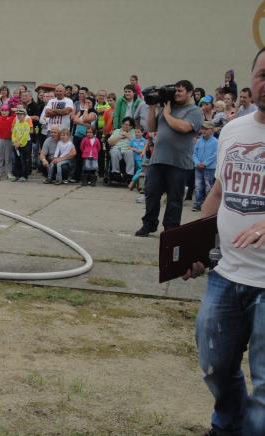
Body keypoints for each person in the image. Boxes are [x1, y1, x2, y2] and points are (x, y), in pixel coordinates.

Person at [183, 47, 265, 436]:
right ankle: (229, 424)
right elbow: (218, 192)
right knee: (214, 367)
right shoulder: (233, 130)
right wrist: (199, 244)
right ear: (251, 79)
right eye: (263, 74)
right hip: (227, 274)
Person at [135, 80, 203, 236]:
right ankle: (149, 224)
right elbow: (152, 128)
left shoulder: (194, 111)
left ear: (190, 93)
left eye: (180, 91)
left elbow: (184, 127)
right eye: (176, 91)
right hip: (158, 159)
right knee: (151, 194)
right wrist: (152, 106)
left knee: (174, 199)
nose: (177, 93)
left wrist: (166, 113)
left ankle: (170, 229)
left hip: (178, 162)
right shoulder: (168, 107)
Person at [191, 121, 218, 211]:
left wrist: (205, 163)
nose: (203, 131)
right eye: (202, 129)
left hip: (209, 168)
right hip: (198, 167)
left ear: (212, 130)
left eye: (206, 129)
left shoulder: (216, 142)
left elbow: (215, 155)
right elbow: (194, 153)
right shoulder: (199, 141)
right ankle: (197, 205)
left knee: (208, 187)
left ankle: (207, 205)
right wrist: (197, 162)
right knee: (198, 186)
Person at [0, 104, 15, 180]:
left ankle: (9, 172)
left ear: (9, 111)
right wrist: (0, 109)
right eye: (3, 110)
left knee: (8, 157)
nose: (4, 112)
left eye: (6, 110)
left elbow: (18, 109)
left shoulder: (12, 117)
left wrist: (11, 109)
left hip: (9, 139)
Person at [11, 106, 31, 182]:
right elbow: (13, 134)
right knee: (16, 160)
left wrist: (19, 143)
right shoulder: (16, 123)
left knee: (24, 160)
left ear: (24, 115)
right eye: (18, 114)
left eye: (21, 114)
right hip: (16, 145)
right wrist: (14, 142)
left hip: (24, 145)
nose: (19, 116)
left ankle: (24, 175)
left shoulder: (26, 124)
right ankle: (17, 175)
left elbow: (25, 135)